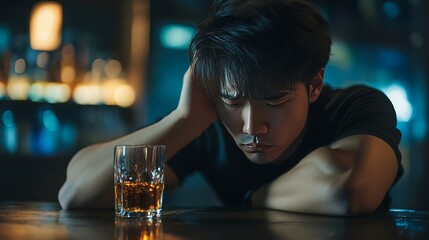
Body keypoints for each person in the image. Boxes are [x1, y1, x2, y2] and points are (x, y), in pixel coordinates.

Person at [58, 0, 402, 216]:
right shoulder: (207, 122)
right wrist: (184, 120)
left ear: (313, 84)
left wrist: (256, 198)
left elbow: (349, 190)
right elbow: (76, 192)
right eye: (234, 101)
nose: (252, 127)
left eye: (275, 100)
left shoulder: (355, 106)